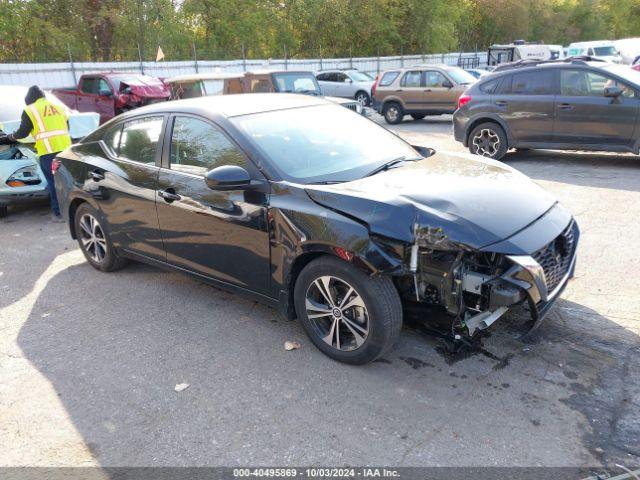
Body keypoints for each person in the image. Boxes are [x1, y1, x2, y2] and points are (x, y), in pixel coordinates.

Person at [0, 86, 71, 221]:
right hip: (66, 150)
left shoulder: (30, 110)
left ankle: (58, 214)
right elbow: (66, 127)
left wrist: (10, 137)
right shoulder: (58, 107)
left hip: (48, 152)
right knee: (66, 182)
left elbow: (23, 132)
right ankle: (71, 211)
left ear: (29, 99)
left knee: (53, 183)